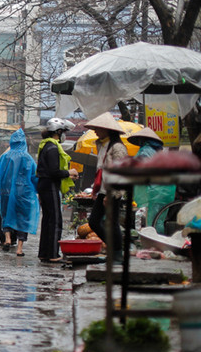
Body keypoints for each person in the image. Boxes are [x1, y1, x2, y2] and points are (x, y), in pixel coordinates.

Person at [0, 128, 40, 256]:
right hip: (24, 192)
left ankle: (7, 239)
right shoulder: (28, 158)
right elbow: (35, 176)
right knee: (23, 218)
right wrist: (39, 190)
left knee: (6, 214)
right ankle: (19, 249)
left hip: (6, 191)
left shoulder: (4, 157)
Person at [85, 112, 129, 258]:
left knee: (112, 223)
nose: (95, 131)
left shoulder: (118, 147)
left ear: (107, 129)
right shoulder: (102, 145)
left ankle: (117, 253)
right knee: (94, 222)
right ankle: (114, 248)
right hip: (103, 190)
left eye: (98, 128)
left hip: (113, 191)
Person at [37, 117, 79, 262]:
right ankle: (53, 254)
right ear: (59, 131)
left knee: (47, 220)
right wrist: (69, 172)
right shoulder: (53, 148)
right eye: (64, 132)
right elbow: (54, 172)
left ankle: (44, 253)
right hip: (50, 186)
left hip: (43, 185)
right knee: (55, 220)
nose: (64, 135)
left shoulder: (45, 145)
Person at [127, 126, 175, 229]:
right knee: (159, 221)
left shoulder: (144, 152)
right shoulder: (158, 153)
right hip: (166, 192)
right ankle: (159, 242)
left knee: (152, 223)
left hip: (154, 192)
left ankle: (155, 244)